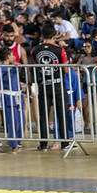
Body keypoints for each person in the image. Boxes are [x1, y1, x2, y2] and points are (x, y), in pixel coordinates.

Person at [31, 22, 69, 150]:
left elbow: (36, 66)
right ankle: (65, 143)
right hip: (58, 85)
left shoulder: (35, 50)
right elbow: (66, 70)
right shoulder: (60, 50)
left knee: (43, 115)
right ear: (54, 36)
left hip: (43, 85)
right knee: (61, 113)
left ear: (42, 35)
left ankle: (43, 144)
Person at [0, 47, 25, 154]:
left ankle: (19, 139)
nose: (14, 57)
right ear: (8, 56)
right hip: (8, 97)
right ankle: (13, 143)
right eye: (12, 55)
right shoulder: (1, 67)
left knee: (21, 121)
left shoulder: (12, 65)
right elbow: (6, 78)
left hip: (17, 96)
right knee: (12, 122)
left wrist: (16, 67)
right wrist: (13, 68)